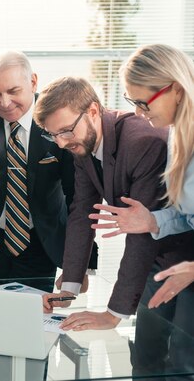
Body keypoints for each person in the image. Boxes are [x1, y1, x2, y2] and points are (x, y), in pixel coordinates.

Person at [35, 76, 193, 332]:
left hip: (185, 256)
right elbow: (83, 212)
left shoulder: (142, 142)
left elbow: (141, 232)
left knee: (182, 359)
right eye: (54, 136)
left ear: (93, 111)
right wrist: (69, 287)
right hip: (154, 259)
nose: (62, 143)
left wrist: (112, 315)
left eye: (65, 131)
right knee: (145, 356)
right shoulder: (83, 142)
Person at [0, 50, 95, 296]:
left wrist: (80, 264)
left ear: (33, 82)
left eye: (13, 91)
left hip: (43, 239)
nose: (4, 103)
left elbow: (78, 196)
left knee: (37, 321)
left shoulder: (57, 117)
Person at [88, 44, 194, 379]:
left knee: (182, 360)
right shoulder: (177, 134)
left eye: (142, 102)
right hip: (181, 264)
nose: (137, 112)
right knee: (148, 356)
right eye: (131, 101)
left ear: (175, 88)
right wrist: (152, 220)